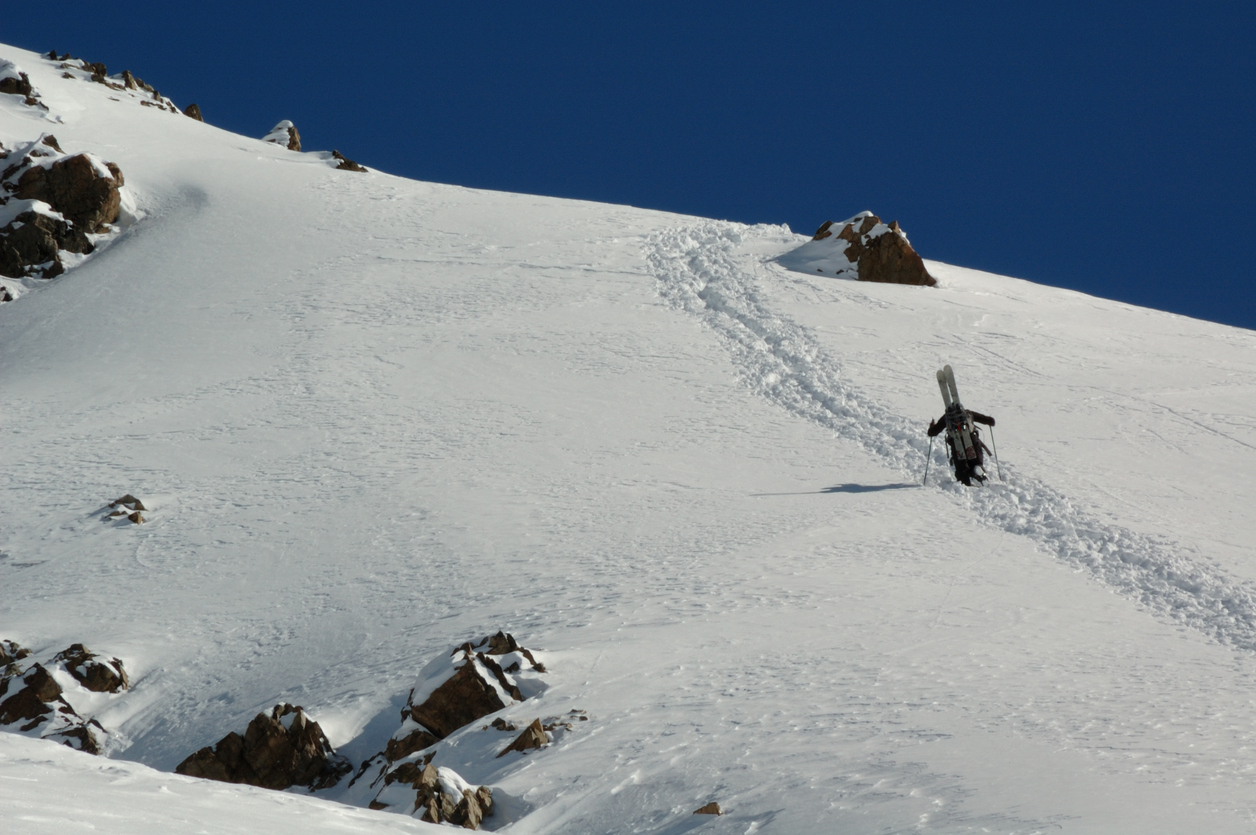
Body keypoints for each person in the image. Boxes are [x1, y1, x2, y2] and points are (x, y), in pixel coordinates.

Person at [928, 408, 995, 486]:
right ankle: (978, 469)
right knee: (976, 461)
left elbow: (932, 433)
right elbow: (989, 421)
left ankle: (964, 482)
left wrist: (931, 426)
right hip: (973, 441)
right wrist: (990, 420)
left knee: (961, 467)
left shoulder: (946, 418)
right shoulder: (968, 413)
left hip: (956, 443)